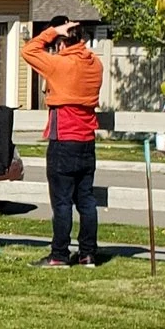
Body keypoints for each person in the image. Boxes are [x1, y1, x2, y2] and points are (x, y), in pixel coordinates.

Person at [22, 16, 105, 267]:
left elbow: (29, 50)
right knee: (86, 200)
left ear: (60, 44)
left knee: (62, 202)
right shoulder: (96, 64)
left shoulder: (60, 64)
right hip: (87, 140)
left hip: (63, 139)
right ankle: (88, 253)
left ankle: (59, 254)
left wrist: (52, 30)